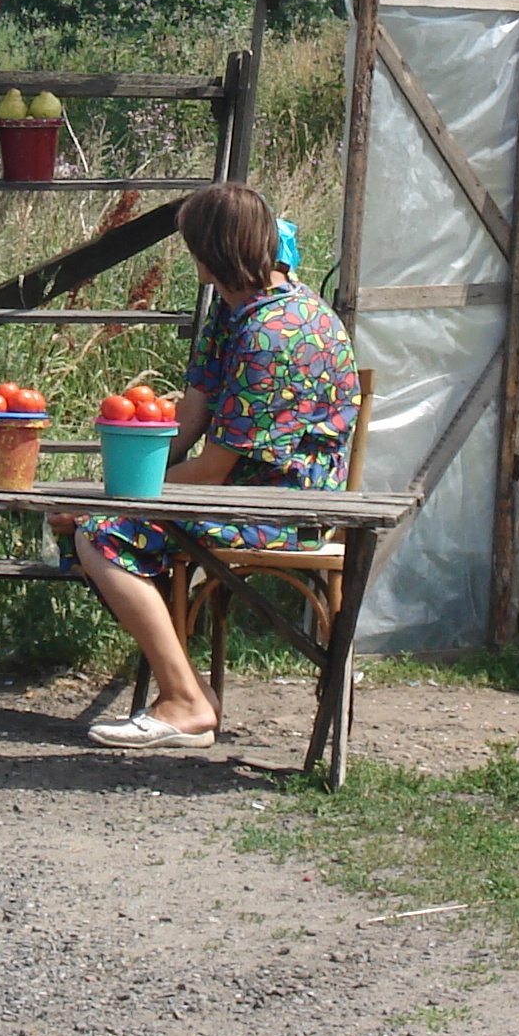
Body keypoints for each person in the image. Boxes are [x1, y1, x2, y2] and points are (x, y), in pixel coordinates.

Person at [67, 180, 359, 751]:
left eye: (193, 243)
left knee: (103, 536)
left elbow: (211, 473)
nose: (189, 254)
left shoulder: (274, 334)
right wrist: (118, 474)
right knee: (86, 520)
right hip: (236, 488)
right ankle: (185, 690)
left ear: (214, 249)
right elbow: (191, 421)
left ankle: (186, 701)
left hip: (280, 506)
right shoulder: (233, 313)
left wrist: (108, 501)